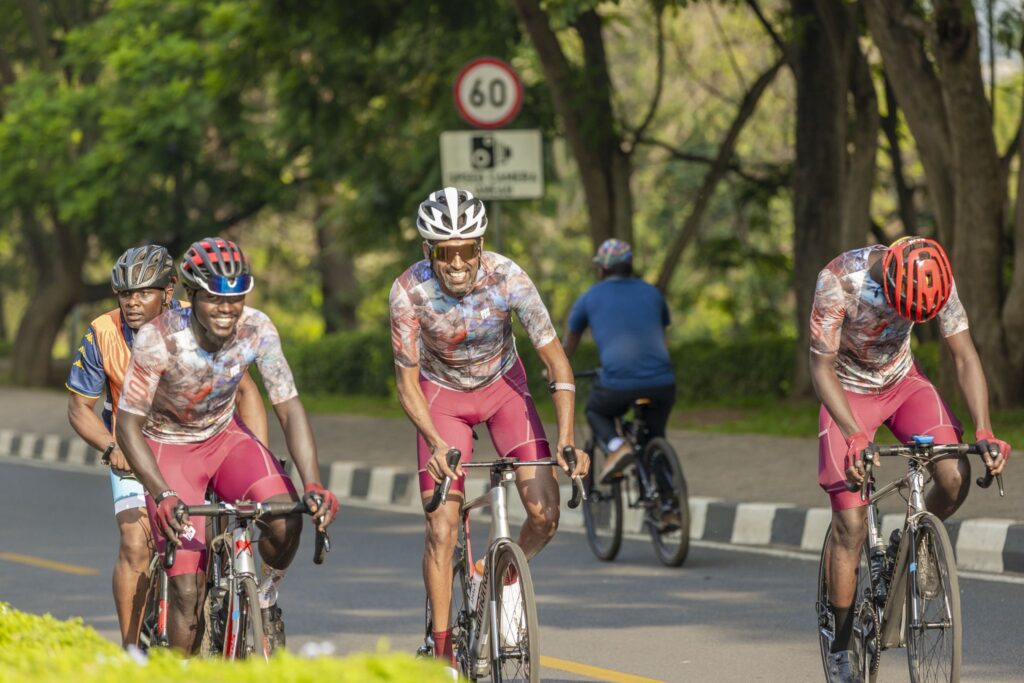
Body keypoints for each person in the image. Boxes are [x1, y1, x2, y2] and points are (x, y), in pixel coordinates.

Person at [389, 187, 589, 668]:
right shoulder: (408, 291)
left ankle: (496, 577)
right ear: (428, 251)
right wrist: (435, 442)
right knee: (442, 527)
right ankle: (442, 653)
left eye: (466, 250)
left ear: (480, 246)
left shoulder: (508, 277)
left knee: (544, 514)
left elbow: (556, 362)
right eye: (445, 252)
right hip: (442, 398)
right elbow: (407, 383)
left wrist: (566, 438)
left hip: (504, 389)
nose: (457, 263)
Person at [115, 237, 339, 653]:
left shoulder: (258, 329)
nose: (227, 309)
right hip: (170, 449)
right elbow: (128, 426)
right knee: (187, 594)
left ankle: (264, 597)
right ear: (191, 295)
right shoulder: (157, 338)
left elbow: (288, 408)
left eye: (236, 299)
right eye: (215, 299)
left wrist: (313, 483)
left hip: (225, 439)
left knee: (286, 518)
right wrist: (162, 493)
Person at [809, 236, 1010, 682]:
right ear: (889, 277)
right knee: (851, 523)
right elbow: (820, 367)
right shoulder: (838, 281)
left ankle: (912, 543)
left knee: (954, 474)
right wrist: (854, 434)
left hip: (904, 385)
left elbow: (964, 355)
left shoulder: (934, 276)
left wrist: (984, 430)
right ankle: (841, 647)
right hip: (847, 392)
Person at [66, 245, 268, 648]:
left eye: (144, 293)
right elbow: (79, 408)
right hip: (134, 450)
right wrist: (111, 447)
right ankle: (130, 653)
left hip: (201, 444)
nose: (132, 302)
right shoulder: (102, 333)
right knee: (135, 543)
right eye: (125, 294)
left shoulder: (200, 322)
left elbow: (247, 392)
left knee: (210, 541)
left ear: (169, 291)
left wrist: (259, 454)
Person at [562, 239, 677, 496]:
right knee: (655, 438)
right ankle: (669, 506)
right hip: (663, 382)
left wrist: (554, 371)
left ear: (602, 269)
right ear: (629, 266)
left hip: (618, 384)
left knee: (595, 410)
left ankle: (616, 447)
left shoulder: (589, 298)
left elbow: (567, 346)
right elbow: (661, 334)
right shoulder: (652, 293)